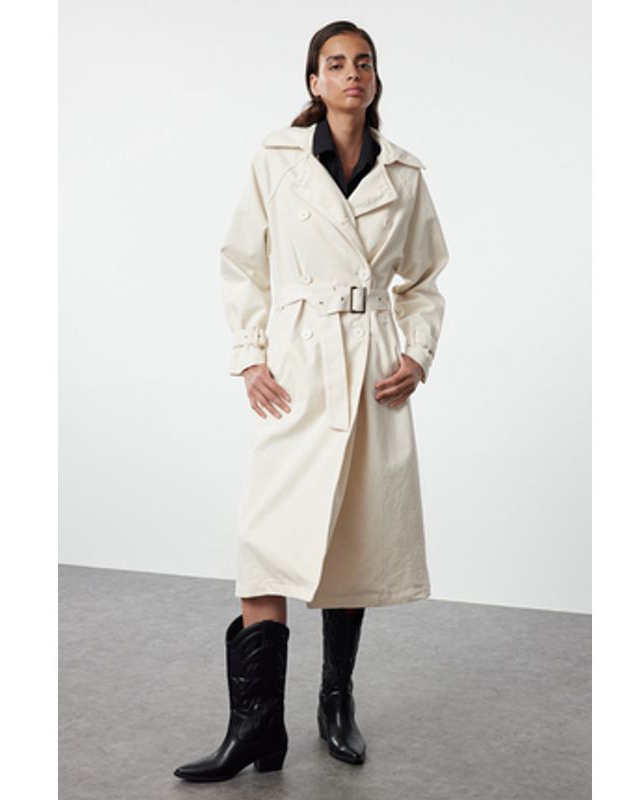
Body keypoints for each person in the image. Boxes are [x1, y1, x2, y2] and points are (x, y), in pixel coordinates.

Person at [174, 19, 449, 782]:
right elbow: (242, 263)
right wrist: (250, 355)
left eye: (363, 63)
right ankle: (256, 728)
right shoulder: (277, 160)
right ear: (314, 81)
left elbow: (425, 281)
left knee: (351, 537)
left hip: (371, 367)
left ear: (374, 79)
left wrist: (416, 355)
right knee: (263, 543)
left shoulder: (405, 174)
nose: (351, 73)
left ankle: (335, 701)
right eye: (336, 63)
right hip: (299, 365)